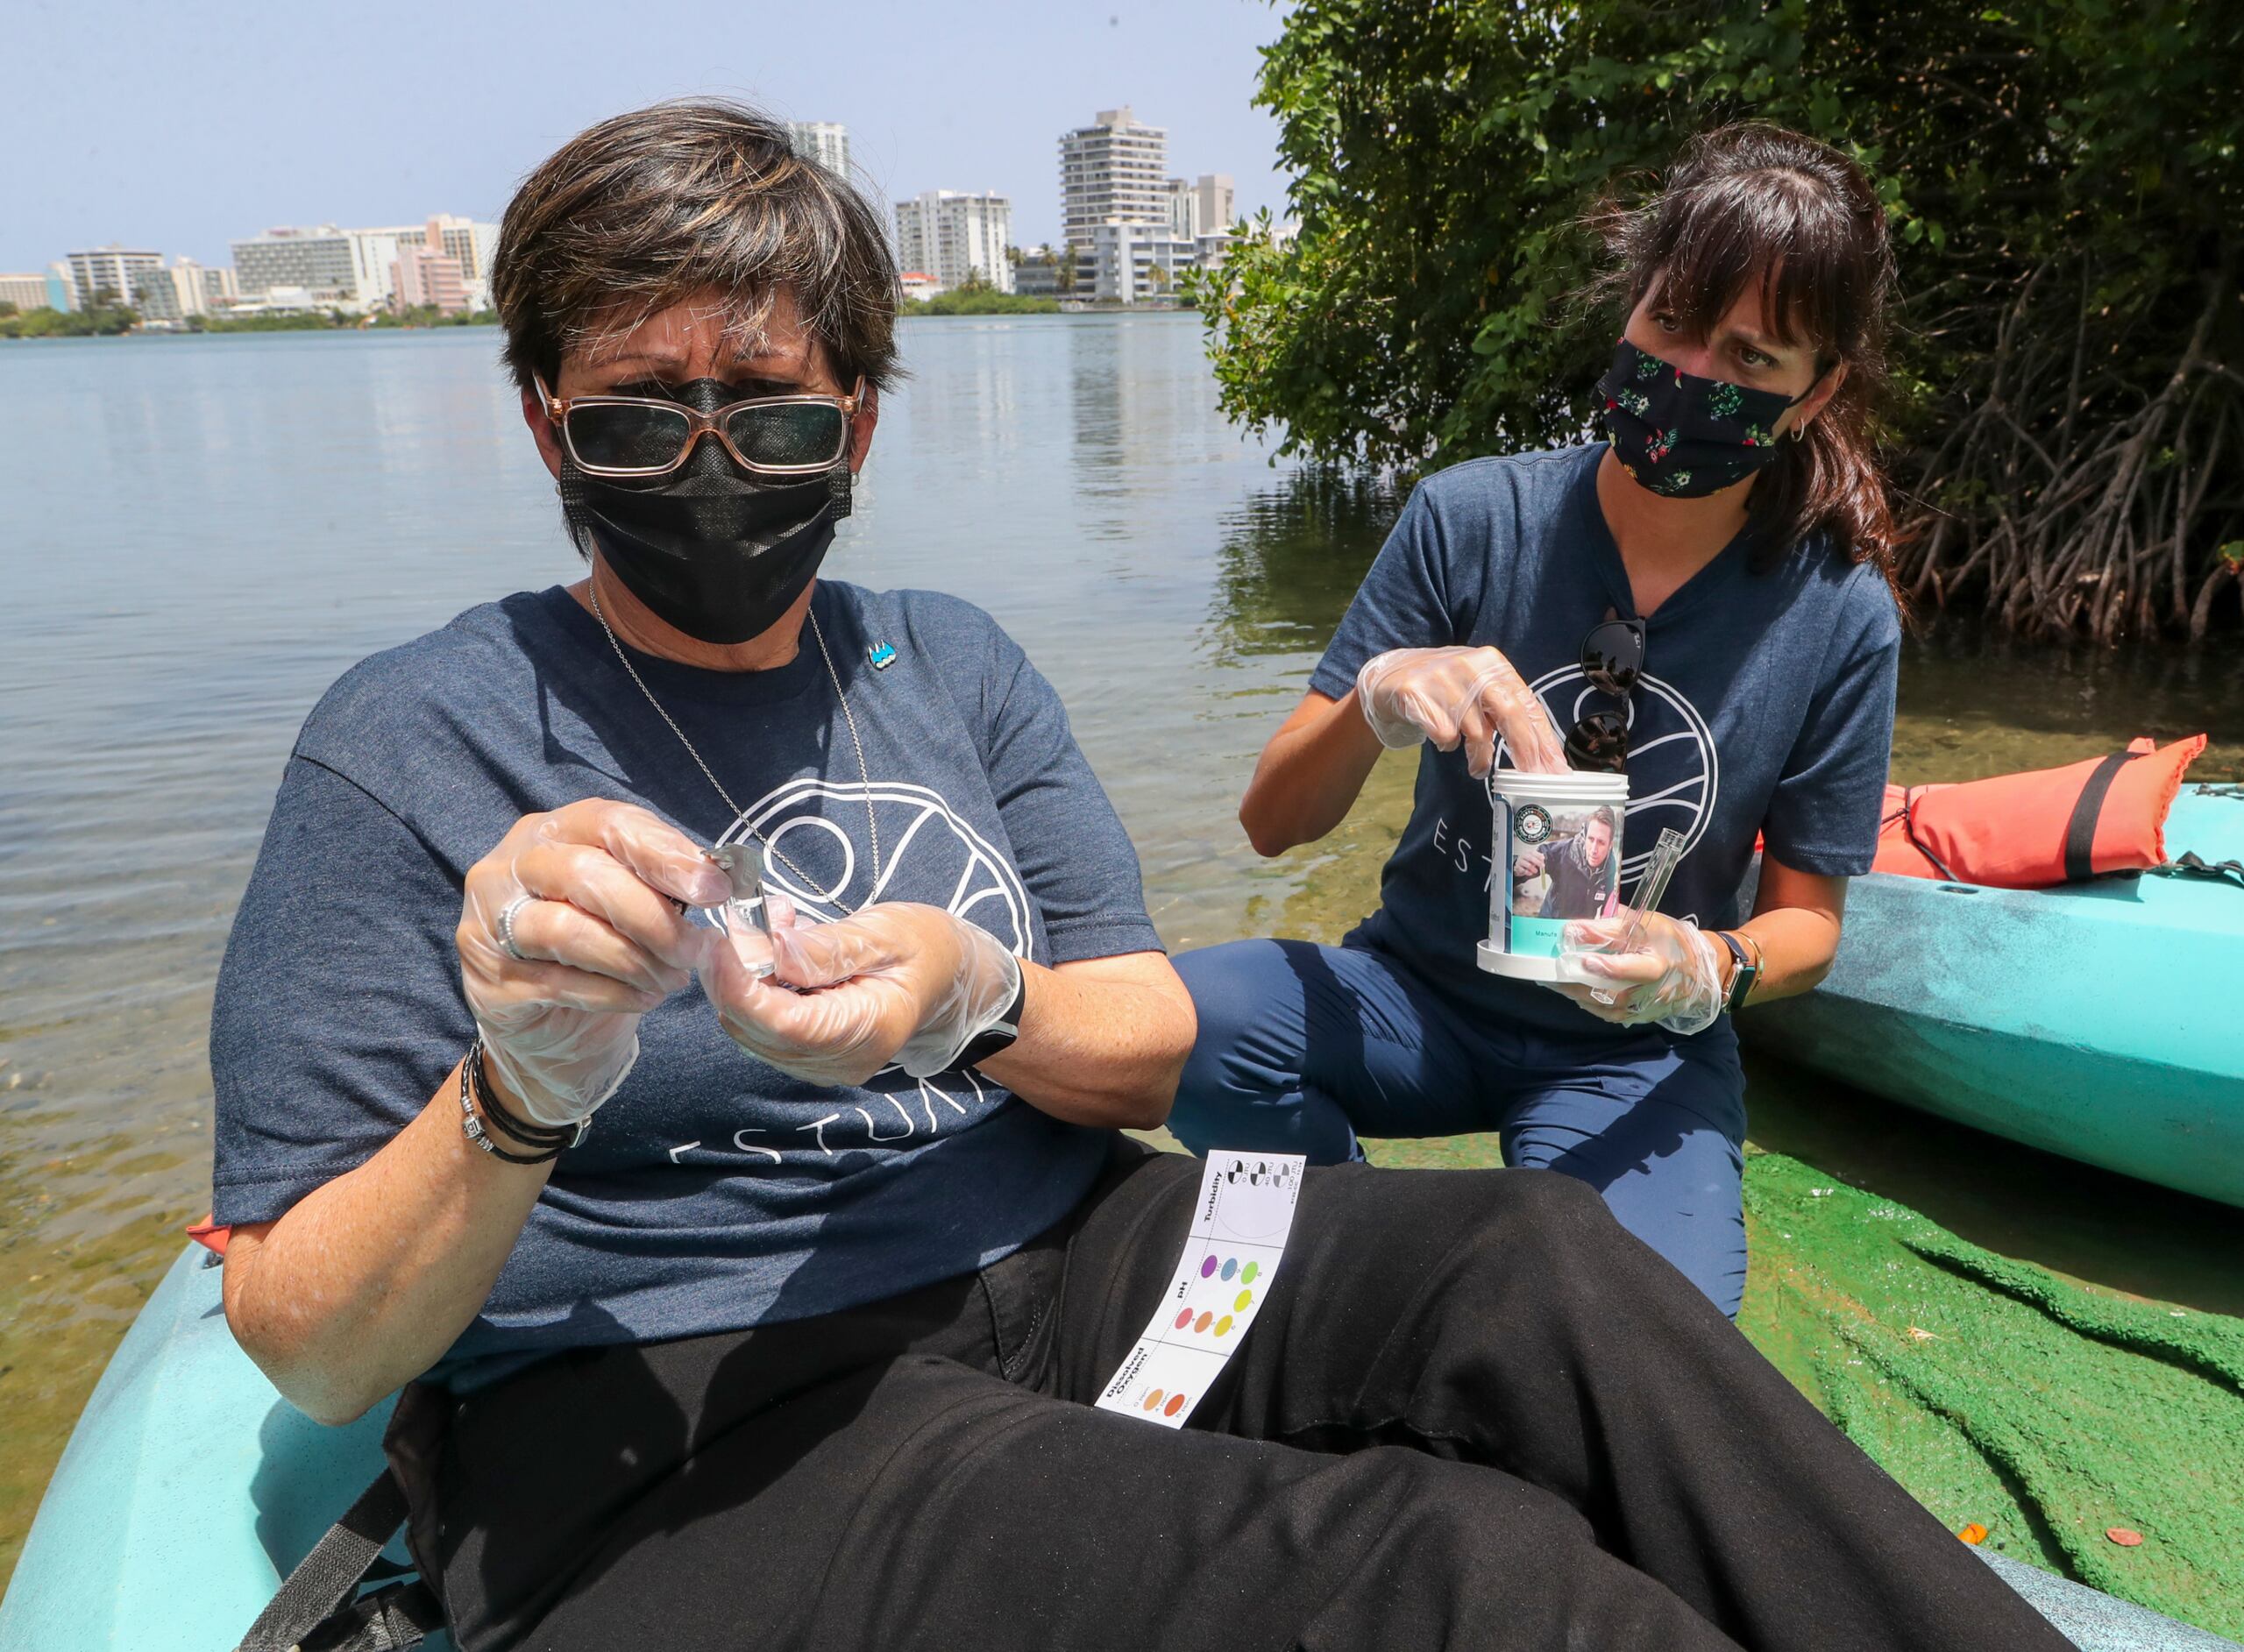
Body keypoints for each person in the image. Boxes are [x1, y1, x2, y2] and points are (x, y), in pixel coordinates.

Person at [210, 103, 2068, 1652]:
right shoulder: (411, 738)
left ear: (857, 426)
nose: (708, 462)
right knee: (1450, 1576)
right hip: (689, 1392)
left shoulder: (948, 663)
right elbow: (310, 1341)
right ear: (544, 424)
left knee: (1541, 1266)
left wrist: (976, 998)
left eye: (771, 413)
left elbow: (1139, 1047)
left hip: (1071, 1250)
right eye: (634, 415)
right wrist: (513, 1085)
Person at [1168, 123, 1908, 1321]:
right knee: (1184, 1028)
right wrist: (1377, 696)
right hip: (1417, 993)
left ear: (1814, 389)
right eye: (1671, 321)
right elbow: (1270, 823)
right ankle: (1360, 1256)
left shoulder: (1837, 616)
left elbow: (1808, 925)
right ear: (1630, 306)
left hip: (1632, 1050)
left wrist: (1704, 965)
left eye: (1751, 354)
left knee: (1637, 1342)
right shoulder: (1470, 519)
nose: (1694, 371)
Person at [1521, 805, 1621, 919]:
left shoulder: (1611, 866)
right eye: (1591, 839)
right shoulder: (1564, 852)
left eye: (1601, 842)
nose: (1594, 850)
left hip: (1580, 932)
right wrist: (1517, 866)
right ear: (1585, 836)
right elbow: (1538, 858)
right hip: (1550, 928)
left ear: (1610, 845)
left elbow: (1606, 909)